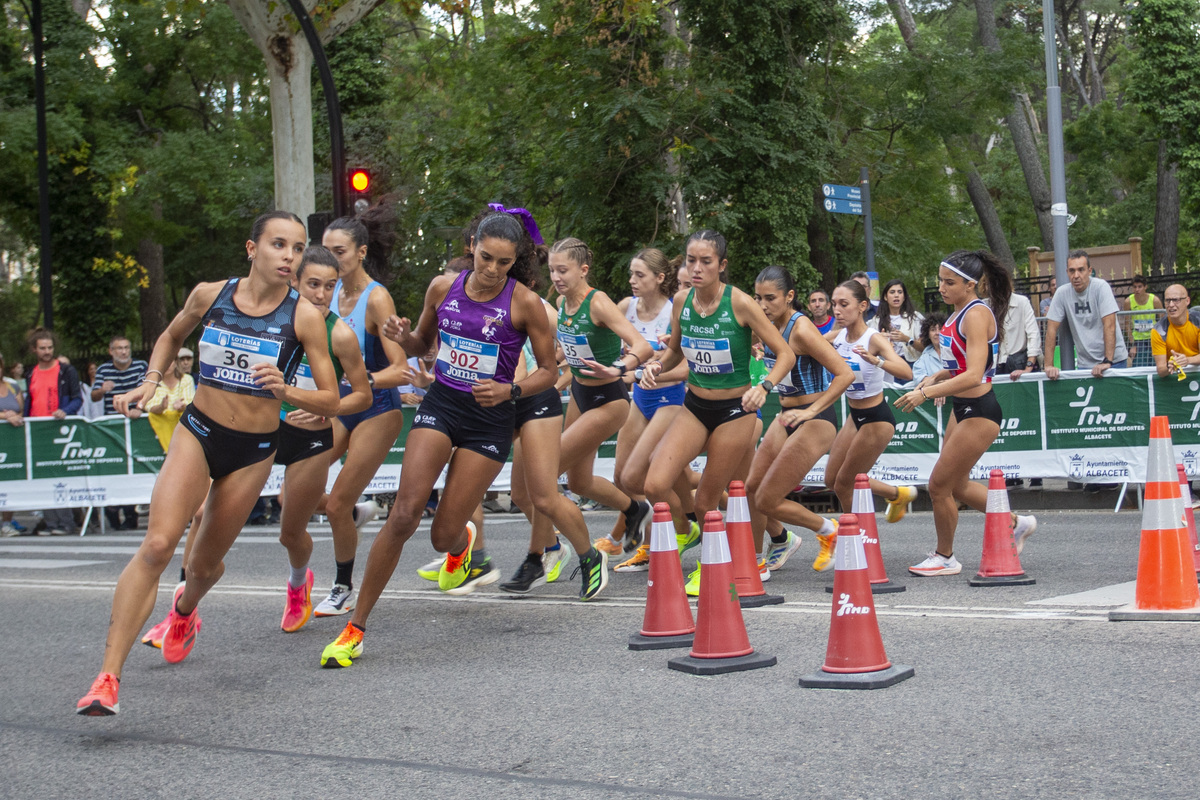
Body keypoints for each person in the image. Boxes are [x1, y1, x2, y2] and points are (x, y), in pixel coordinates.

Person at [76, 210, 341, 716]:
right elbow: (170, 337)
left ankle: (184, 611)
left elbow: (331, 397)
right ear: (251, 248)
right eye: (278, 245)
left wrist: (287, 390)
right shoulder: (210, 294)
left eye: (297, 247)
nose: (288, 256)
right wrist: (153, 380)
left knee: (202, 565)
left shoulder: (303, 316)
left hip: (252, 452)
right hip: (198, 432)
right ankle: (107, 677)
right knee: (157, 545)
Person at [319, 212, 605, 669]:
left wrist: (509, 390)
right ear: (472, 246)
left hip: (489, 422)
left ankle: (461, 543)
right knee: (404, 513)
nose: (492, 270)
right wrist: (402, 336)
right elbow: (419, 345)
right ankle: (355, 627)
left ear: (516, 261)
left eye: (504, 262)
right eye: (485, 257)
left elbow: (550, 372)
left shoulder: (526, 303)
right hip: (443, 406)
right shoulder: (442, 287)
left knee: (441, 536)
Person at [639, 230, 795, 566]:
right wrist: (656, 366)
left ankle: (716, 567)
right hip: (695, 406)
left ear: (721, 265)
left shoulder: (739, 302)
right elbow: (675, 351)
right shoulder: (681, 301)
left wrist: (764, 386)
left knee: (707, 502)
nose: (696, 268)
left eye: (705, 261)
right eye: (691, 260)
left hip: (735, 410)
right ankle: (688, 532)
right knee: (653, 484)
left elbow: (785, 354)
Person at [895, 250, 1036, 577]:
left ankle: (945, 557)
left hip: (980, 411)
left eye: (949, 282)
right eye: (941, 280)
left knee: (938, 485)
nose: (942, 287)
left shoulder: (975, 314)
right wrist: (938, 376)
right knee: (956, 485)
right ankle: (1017, 523)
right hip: (963, 407)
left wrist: (924, 393)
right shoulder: (957, 313)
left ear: (970, 285)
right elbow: (964, 366)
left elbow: (975, 375)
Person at [311, 204, 413, 618]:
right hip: (339, 406)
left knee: (333, 504)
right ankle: (356, 512)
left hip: (376, 409)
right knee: (292, 496)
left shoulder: (377, 298)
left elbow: (401, 369)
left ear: (360, 253)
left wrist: (364, 381)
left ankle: (341, 586)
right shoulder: (324, 293)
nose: (328, 258)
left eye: (338, 252)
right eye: (324, 250)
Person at [745, 266, 853, 573]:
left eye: (770, 298)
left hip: (815, 419)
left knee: (767, 498)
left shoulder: (801, 328)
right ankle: (756, 564)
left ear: (790, 296)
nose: (763, 305)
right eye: (758, 298)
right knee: (751, 488)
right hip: (785, 415)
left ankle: (828, 530)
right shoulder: (765, 325)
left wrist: (810, 411)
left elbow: (845, 374)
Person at [550, 237, 654, 556]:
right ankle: (635, 510)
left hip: (610, 399)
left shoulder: (598, 303)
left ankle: (548, 551)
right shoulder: (560, 304)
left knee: (544, 471)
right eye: (552, 270)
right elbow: (569, 353)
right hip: (581, 393)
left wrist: (618, 367)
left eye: (563, 270)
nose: (556, 277)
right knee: (579, 483)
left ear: (583, 270)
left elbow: (642, 346)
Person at [605, 249, 698, 572]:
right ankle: (654, 539)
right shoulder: (624, 307)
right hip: (639, 397)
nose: (632, 281)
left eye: (640, 275)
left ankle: (685, 527)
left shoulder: (675, 310)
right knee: (623, 479)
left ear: (660, 278)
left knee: (642, 479)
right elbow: (607, 343)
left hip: (670, 399)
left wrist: (652, 371)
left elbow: (687, 366)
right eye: (631, 274)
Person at [818, 279, 914, 570]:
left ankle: (856, 543)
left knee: (847, 482)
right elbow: (800, 346)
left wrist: (877, 361)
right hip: (853, 417)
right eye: (834, 303)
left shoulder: (873, 338)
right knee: (831, 480)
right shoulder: (836, 338)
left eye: (844, 304)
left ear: (862, 307)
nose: (837, 309)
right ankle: (897, 493)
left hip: (876, 419)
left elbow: (906, 371)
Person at [24, 328, 82, 536]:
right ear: (34, 349)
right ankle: (50, 522)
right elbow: (29, 400)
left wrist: (64, 411)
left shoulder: (66, 371)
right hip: (37, 430)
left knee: (61, 474)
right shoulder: (31, 373)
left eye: (50, 347)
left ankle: (65, 522)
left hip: (59, 430)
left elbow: (77, 398)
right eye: (42, 348)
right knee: (43, 476)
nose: (47, 351)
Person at [1043, 250, 1127, 379]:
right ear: (1067, 272)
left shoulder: (1101, 287)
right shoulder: (1061, 293)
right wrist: (1048, 365)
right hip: (1085, 364)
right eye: (1072, 271)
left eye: (1081, 270)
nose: (1076, 275)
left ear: (1089, 270)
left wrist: (1107, 361)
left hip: (1114, 362)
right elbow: (1051, 329)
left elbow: (1109, 325)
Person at [94, 336, 148, 530]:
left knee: (135, 467)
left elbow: (150, 389)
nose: (124, 352)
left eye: (126, 347)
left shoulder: (141, 366)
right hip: (113, 426)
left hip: (137, 424)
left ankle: (131, 513)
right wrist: (102, 390)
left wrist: (140, 408)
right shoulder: (103, 370)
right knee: (116, 467)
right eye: (119, 349)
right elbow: (93, 396)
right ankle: (113, 512)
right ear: (111, 351)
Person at [145, 355, 196, 452]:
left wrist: (181, 407)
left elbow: (190, 403)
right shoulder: (151, 383)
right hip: (159, 435)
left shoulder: (187, 379)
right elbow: (149, 406)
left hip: (185, 432)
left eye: (170, 361)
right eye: (163, 363)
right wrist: (161, 407)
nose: (167, 365)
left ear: (176, 363)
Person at [872, 279, 924, 367]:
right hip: (888, 364)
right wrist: (880, 341)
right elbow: (870, 349)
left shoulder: (915, 317)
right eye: (892, 292)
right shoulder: (876, 320)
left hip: (912, 363)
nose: (896, 295)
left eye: (900, 292)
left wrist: (907, 339)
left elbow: (924, 347)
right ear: (885, 297)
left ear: (904, 297)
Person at [1152, 285, 1200, 379]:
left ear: (1187, 301)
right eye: (1167, 300)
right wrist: (1169, 365)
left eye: (1176, 300)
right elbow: (1161, 370)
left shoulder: (1198, 321)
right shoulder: (1158, 330)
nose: (1171, 305)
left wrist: (1187, 360)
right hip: (1175, 378)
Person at [995, 290, 1041, 379]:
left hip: (1020, 364)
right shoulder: (985, 305)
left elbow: (1034, 335)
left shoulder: (1022, 302)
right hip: (994, 367)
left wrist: (1028, 368)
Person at [0, 352, 22, 537]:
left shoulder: (12, 386)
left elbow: (21, 410)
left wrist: (16, 416)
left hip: (10, 441)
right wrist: (4, 416)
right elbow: (10, 413)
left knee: (10, 479)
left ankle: (7, 521)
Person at [1125, 274, 1161, 368]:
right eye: (1135, 287)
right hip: (1138, 340)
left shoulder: (1154, 300)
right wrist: (1132, 344)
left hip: (1153, 338)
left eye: (1140, 287)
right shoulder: (1128, 301)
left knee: (1155, 365)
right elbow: (1127, 325)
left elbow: (1163, 321)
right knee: (1139, 366)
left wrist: (1161, 340)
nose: (1137, 289)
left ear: (1145, 287)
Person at [909, 312, 946, 386]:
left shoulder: (955, 351)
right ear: (928, 334)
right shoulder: (925, 356)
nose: (937, 333)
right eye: (933, 330)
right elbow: (919, 377)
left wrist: (944, 387)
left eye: (940, 329)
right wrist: (937, 386)